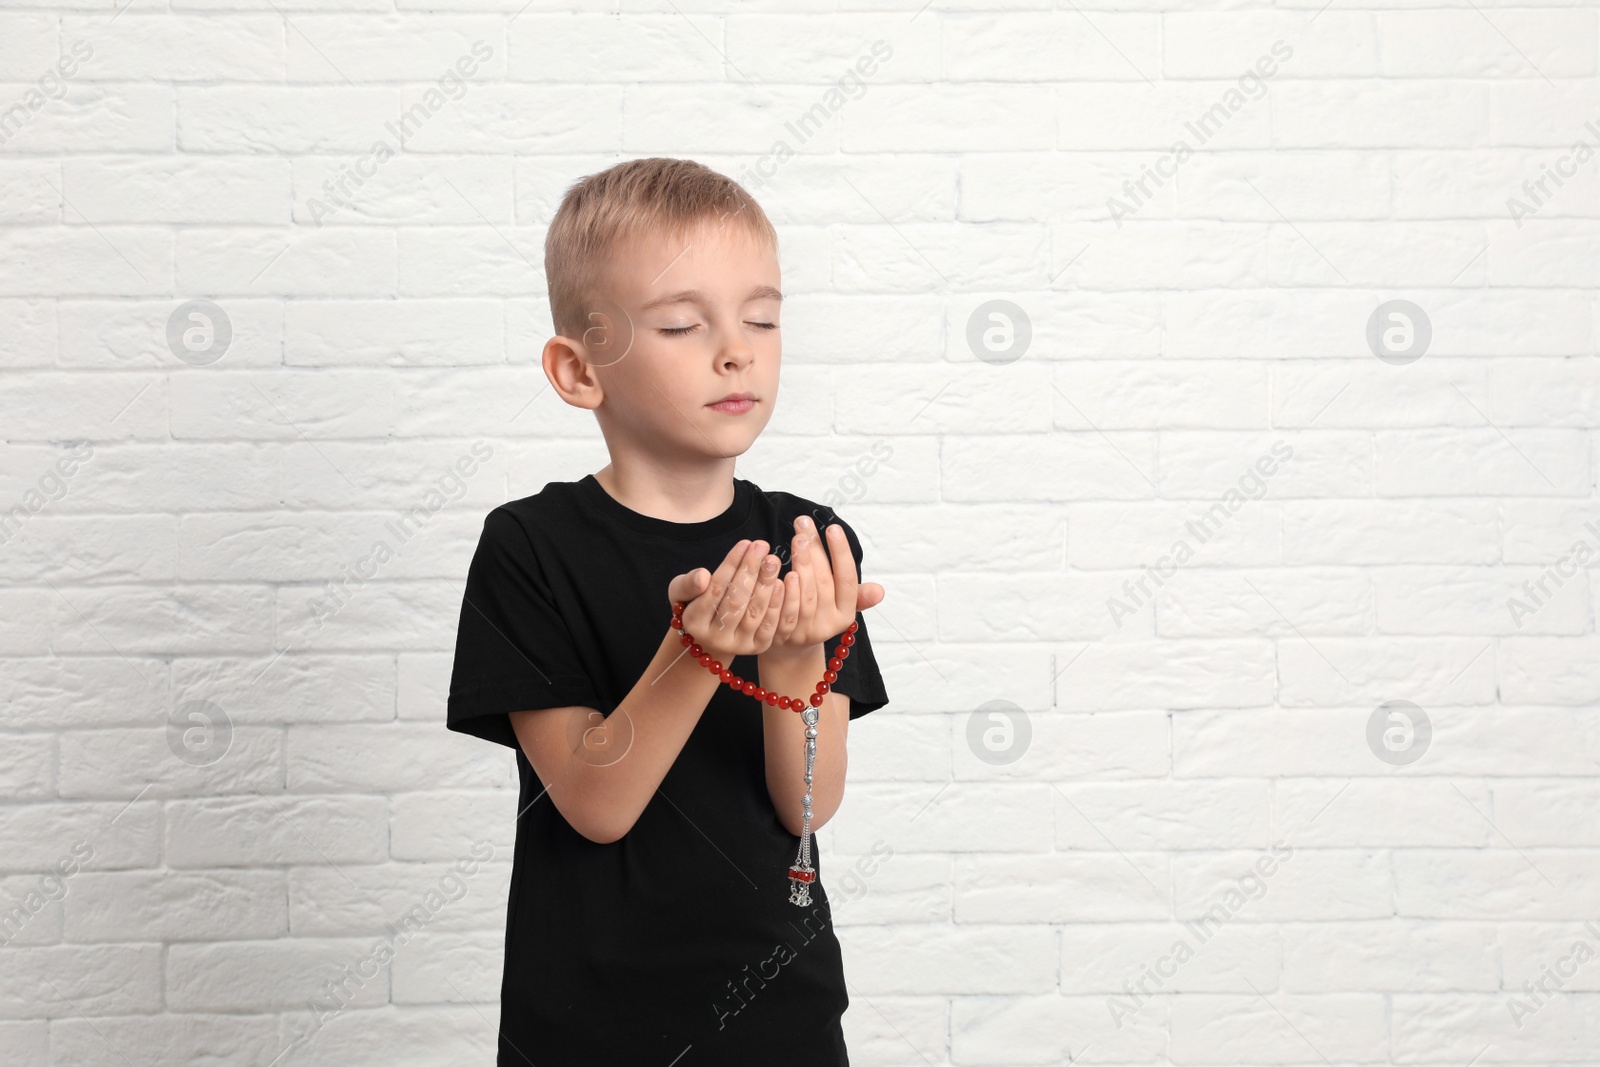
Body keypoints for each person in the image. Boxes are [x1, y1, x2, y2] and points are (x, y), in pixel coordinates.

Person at [444, 157, 891, 1066]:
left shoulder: (808, 538)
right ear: (579, 371)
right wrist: (694, 650)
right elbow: (597, 803)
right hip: (587, 1027)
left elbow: (807, 804)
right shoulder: (530, 547)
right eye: (684, 324)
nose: (738, 349)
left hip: (784, 1015)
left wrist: (798, 654)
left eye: (762, 317)